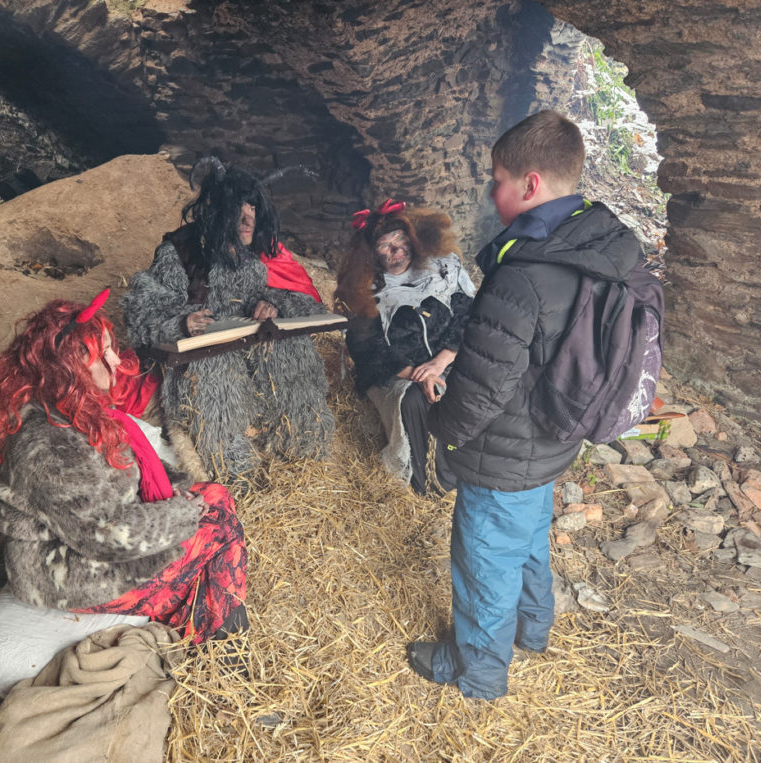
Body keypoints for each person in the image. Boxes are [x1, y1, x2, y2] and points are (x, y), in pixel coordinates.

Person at [407, 111, 644, 698]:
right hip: (553, 437)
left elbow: (480, 392)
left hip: (503, 453)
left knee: (485, 562)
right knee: (530, 540)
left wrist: (438, 425)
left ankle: (478, 673)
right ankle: (533, 629)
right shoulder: (600, 243)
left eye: (498, 180)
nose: (492, 193)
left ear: (530, 184)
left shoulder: (522, 273)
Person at [0, 290, 248, 644]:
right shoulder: (47, 446)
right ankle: (224, 644)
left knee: (216, 496)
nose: (117, 360)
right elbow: (106, 535)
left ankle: (204, 612)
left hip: (102, 530)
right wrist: (181, 514)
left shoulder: (80, 410)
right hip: (72, 572)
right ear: (69, 367)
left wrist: (176, 493)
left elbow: (125, 468)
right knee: (218, 531)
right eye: (103, 353)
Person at [122, 159, 334, 480]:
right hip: (200, 357)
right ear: (219, 212)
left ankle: (300, 444)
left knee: (290, 348)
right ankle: (235, 469)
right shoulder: (179, 252)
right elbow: (142, 308)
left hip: (242, 344)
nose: (249, 220)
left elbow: (297, 300)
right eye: (239, 210)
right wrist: (182, 321)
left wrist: (269, 303)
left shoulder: (249, 258)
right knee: (216, 366)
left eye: (253, 210)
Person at [334, 200, 475, 495]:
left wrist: (442, 360)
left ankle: (470, 469)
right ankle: (430, 483)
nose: (396, 250)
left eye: (401, 239)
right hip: (397, 371)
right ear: (372, 254)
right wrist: (418, 374)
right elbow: (366, 348)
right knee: (415, 400)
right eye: (385, 245)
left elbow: (467, 315)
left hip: (446, 359)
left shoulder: (443, 270)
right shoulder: (364, 290)